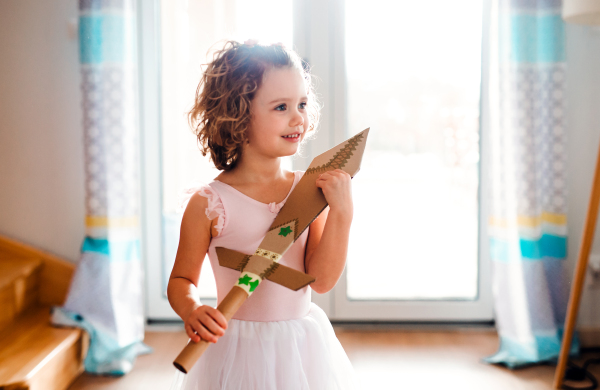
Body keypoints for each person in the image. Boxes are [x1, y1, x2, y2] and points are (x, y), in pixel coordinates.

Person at [167, 39, 359, 390]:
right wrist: (192, 309)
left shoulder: (309, 191)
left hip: (301, 346)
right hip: (234, 348)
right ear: (238, 116)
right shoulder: (209, 203)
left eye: (302, 103)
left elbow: (321, 280)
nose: (298, 116)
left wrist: (342, 214)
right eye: (281, 106)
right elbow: (181, 281)